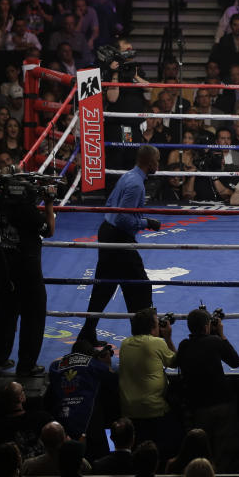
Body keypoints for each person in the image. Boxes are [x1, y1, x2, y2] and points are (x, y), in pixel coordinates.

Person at [78, 145, 163, 347]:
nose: (158, 165)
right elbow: (125, 218)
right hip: (118, 238)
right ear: (150, 162)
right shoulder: (136, 184)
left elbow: (111, 204)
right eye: (157, 161)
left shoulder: (128, 176)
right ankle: (142, 340)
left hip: (109, 230)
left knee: (104, 288)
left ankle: (85, 335)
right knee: (141, 288)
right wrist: (147, 223)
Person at [0, 170, 56, 376]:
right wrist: (49, 202)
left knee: (6, 315)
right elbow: (49, 230)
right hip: (26, 271)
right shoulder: (25, 210)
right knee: (33, 317)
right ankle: (26, 365)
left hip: (4, 269)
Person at [175, 306, 239, 467]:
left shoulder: (184, 345)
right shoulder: (214, 341)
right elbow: (235, 362)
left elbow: (178, 362)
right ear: (207, 326)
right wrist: (221, 334)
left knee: (202, 449)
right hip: (221, 404)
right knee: (223, 450)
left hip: (198, 406)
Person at [119, 307, 179, 451]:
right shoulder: (157, 343)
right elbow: (175, 362)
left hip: (128, 410)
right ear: (152, 328)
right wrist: (168, 338)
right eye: (158, 324)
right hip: (154, 410)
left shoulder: (124, 344)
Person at [45, 339, 117, 457]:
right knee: (111, 410)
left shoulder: (55, 366)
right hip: (88, 426)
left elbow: (53, 368)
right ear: (90, 354)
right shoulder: (94, 365)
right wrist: (107, 364)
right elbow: (112, 378)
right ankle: (112, 453)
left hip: (61, 423)